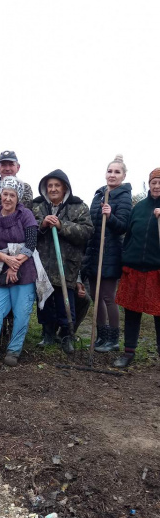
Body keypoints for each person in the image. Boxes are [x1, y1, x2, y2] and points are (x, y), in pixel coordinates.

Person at [0, 176, 40, 367]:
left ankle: (14, 351)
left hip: (25, 269)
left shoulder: (26, 214)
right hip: (1, 269)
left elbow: (31, 244)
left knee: (22, 313)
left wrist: (16, 264)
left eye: (12, 195)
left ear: (18, 197)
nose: (8, 199)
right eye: (5, 194)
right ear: (0, 195)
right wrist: (6, 260)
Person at [32, 170, 93, 353]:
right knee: (45, 300)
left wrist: (61, 225)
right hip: (42, 263)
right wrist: (42, 224)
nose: (53, 189)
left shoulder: (79, 207)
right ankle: (47, 333)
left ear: (65, 187)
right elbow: (28, 229)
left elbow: (87, 232)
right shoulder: (37, 206)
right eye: (50, 185)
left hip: (67, 264)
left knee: (65, 301)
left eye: (57, 185)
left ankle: (67, 335)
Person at [82, 154, 132, 352]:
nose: (112, 175)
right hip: (94, 251)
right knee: (95, 296)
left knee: (108, 297)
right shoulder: (98, 195)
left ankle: (113, 339)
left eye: (117, 172)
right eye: (110, 171)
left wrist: (110, 216)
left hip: (110, 254)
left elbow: (123, 227)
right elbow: (91, 223)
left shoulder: (124, 197)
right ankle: (101, 336)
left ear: (124, 176)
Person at [113, 168, 160, 368]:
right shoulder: (139, 208)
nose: (156, 186)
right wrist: (125, 259)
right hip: (133, 269)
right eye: (153, 182)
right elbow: (129, 236)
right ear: (148, 184)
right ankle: (128, 352)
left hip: (157, 270)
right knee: (131, 312)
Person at [0, 150, 33, 215]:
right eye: (3, 165)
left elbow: (26, 207)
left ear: (18, 167)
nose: (7, 168)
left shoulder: (26, 188)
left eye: (11, 165)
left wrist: (1, 194)